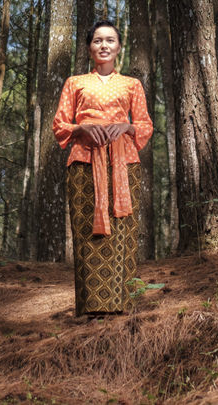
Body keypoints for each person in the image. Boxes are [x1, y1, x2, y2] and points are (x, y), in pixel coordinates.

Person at [52, 19, 153, 316]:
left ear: (119, 47)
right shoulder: (75, 83)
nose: (104, 45)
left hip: (124, 162)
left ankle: (121, 303)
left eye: (110, 40)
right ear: (88, 48)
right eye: (97, 40)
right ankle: (90, 306)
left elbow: (145, 125)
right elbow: (60, 125)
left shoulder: (131, 84)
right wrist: (81, 128)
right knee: (86, 230)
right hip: (84, 160)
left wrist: (126, 126)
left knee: (122, 229)